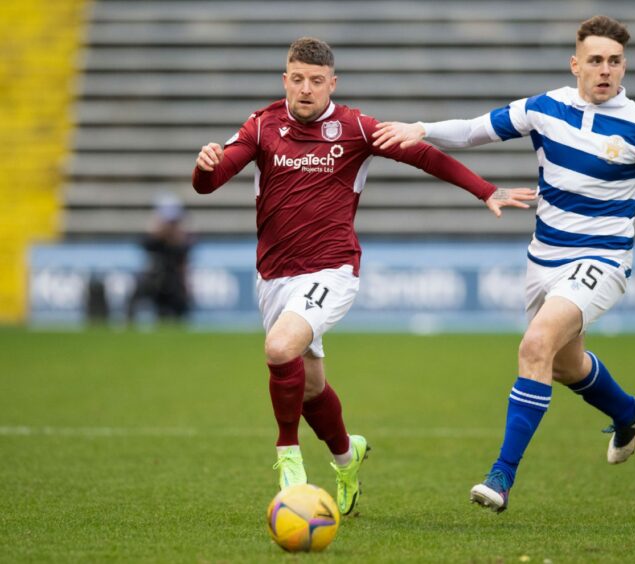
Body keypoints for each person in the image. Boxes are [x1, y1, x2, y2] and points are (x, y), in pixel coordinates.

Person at [372, 15, 635, 513]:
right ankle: (628, 412)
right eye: (595, 60)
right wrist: (420, 128)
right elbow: (473, 131)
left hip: (603, 260)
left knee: (534, 345)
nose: (605, 70)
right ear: (575, 64)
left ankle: (501, 477)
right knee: (561, 363)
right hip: (543, 261)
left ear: (624, 67)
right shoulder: (544, 108)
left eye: (614, 62)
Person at [191, 37, 534, 516]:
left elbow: (423, 154)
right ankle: (346, 457)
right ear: (284, 79)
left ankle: (287, 457)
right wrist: (204, 165)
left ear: (332, 83)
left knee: (278, 348)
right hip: (274, 277)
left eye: (316, 81)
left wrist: (484, 190)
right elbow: (210, 182)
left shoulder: (355, 127)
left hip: (333, 269)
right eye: (297, 79)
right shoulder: (262, 124)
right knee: (309, 387)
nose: (305, 89)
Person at [126, 194, 192, 323]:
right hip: (153, 276)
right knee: (137, 294)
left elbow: (184, 254)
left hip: (173, 278)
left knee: (177, 305)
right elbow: (144, 245)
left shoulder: (182, 238)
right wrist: (158, 234)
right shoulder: (152, 236)